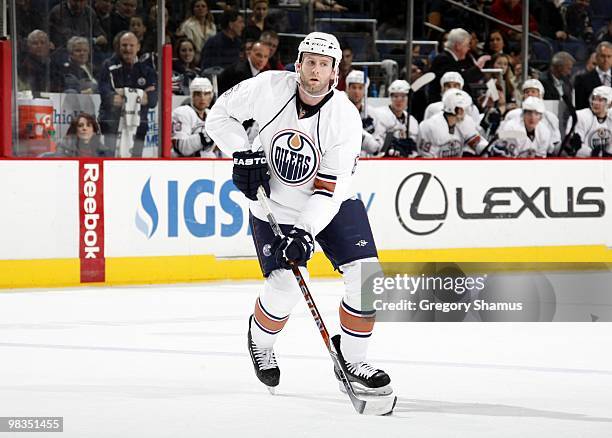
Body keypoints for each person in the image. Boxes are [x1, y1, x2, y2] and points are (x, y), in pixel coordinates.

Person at [206, 32, 393, 395]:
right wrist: (242, 151)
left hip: (330, 204)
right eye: (310, 61)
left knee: (368, 276)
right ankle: (260, 343)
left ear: (335, 72)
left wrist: (305, 231)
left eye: (324, 64)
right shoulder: (266, 87)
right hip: (274, 203)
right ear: (298, 63)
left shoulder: (345, 118)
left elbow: (328, 191)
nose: (316, 70)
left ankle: (352, 359)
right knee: (286, 284)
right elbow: (219, 116)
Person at [97, 32, 157, 157]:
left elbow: (151, 100)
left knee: (135, 165)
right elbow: (111, 99)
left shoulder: (147, 70)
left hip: (139, 125)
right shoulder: (108, 66)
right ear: (119, 47)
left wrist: (123, 92)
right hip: (111, 123)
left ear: (138, 47)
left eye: (131, 45)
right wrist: (140, 95)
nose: (127, 49)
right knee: (110, 161)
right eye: (124, 45)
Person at [417, 89, 486, 158]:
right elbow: (426, 159)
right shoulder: (429, 126)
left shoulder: (465, 122)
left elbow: (478, 144)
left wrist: (488, 149)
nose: (466, 112)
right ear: (459, 110)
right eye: (465, 108)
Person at [428, 28, 490, 103]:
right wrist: (477, 68)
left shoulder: (449, 58)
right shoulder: (444, 59)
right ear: (458, 46)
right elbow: (456, 80)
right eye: (467, 45)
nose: (468, 48)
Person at [502, 79, 561, 153]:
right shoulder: (512, 115)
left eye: (533, 92)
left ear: (541, 94)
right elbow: (502, 137)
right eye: (527, 92)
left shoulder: (551, 118)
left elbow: (555, 145)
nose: (530, 94)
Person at [172, 77, 217, 157]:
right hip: (184, 166)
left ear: (211, 96)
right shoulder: (182, 113)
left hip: (208, 165)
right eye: (198, 94)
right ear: (192, 96)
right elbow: (182, 148)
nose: (202, 98)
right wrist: (207, 136)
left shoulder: (212, 115)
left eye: (206, 93)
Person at [372, 79, 418, 157]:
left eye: (403, 96)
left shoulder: (412, 121)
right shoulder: (379, 115)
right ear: (390, 97)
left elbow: (415, 152)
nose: (399, 100)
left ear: (408, 98)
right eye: (395, 96)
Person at [566, 86, 612, 157]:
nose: (595, 103)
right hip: (583, 162)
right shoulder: (580, 116)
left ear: (610, 103)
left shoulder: (610, 118)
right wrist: (598, 154)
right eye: (594, 99)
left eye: (600, 100)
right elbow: (574, 146)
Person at [344, 70, 381, 156]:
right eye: (353, 87)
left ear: (365, 90)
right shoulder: (340, 110)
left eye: (360, 88)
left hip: (367, 162)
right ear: (347, 88)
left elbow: (377, 144)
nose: (356, 91)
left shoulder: (372, 113)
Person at [574, 42, 612, 110]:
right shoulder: (582, 79)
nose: (606, 60)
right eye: (603, 56)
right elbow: (580, 107)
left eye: (609, 56)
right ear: (597, 57)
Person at [18, 30, 53, 94]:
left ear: (49, 45)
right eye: (35, 43)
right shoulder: (25, 66)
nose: (39, 46)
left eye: (42, 42)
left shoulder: (54, 65)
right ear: (28, 47)